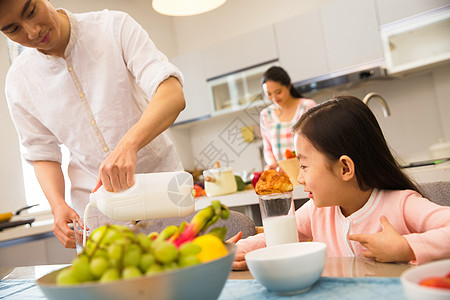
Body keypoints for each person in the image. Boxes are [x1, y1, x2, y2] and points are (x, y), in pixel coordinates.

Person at [0, 0, 186, 248]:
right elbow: (42, 153)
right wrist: (57, 206)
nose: (32, 31)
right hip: (99, 215)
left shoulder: (113, 26)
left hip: (162, 194)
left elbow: (172, 94)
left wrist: (128, 145)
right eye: (13, 29)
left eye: (31, 11)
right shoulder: (18, 82)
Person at [230, 96, 450, 269]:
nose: (299, 178)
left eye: (304, 166)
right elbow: (274, 239)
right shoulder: (317, 212)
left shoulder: (401, 205)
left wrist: (405, 248)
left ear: (345, 168)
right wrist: (228, 252)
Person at [260, 66, 316, 170]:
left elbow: (317, 141)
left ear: (289, 86)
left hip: (308, 170)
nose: (274, 98)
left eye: (278, 92)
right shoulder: (266, 114)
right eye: (269, 94)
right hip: (282, 173)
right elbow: (267, 148)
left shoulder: (307, 106)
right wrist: (272, 164)